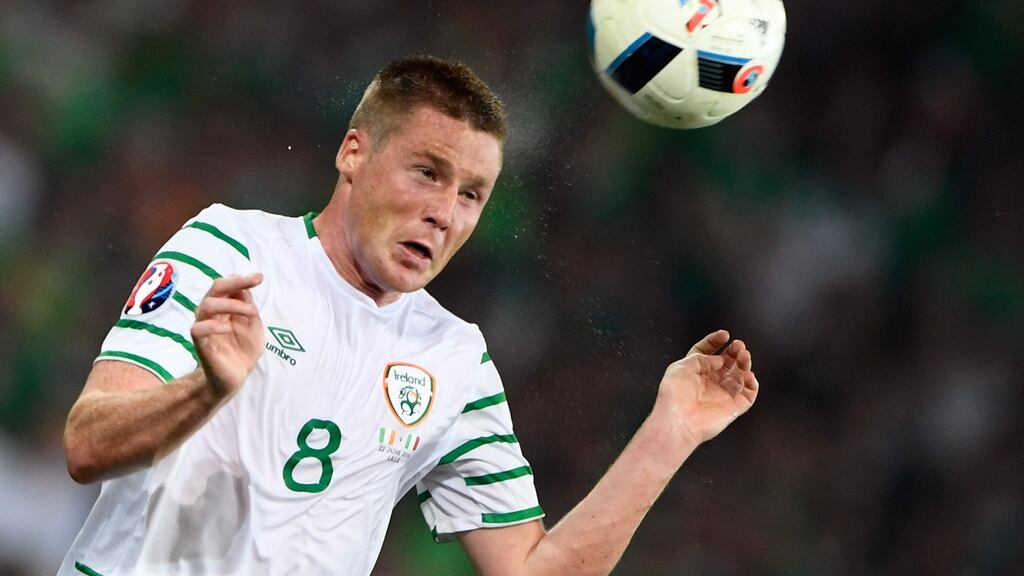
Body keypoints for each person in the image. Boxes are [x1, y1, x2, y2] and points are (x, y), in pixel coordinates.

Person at [60, 56, 758, 576]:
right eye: (428, 172)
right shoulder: (230, 249)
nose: (445, 212)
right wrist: (205, 391)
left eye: (472, 194)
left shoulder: (455, 359)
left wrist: (671, 430)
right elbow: (86, 446)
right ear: (353, 154)